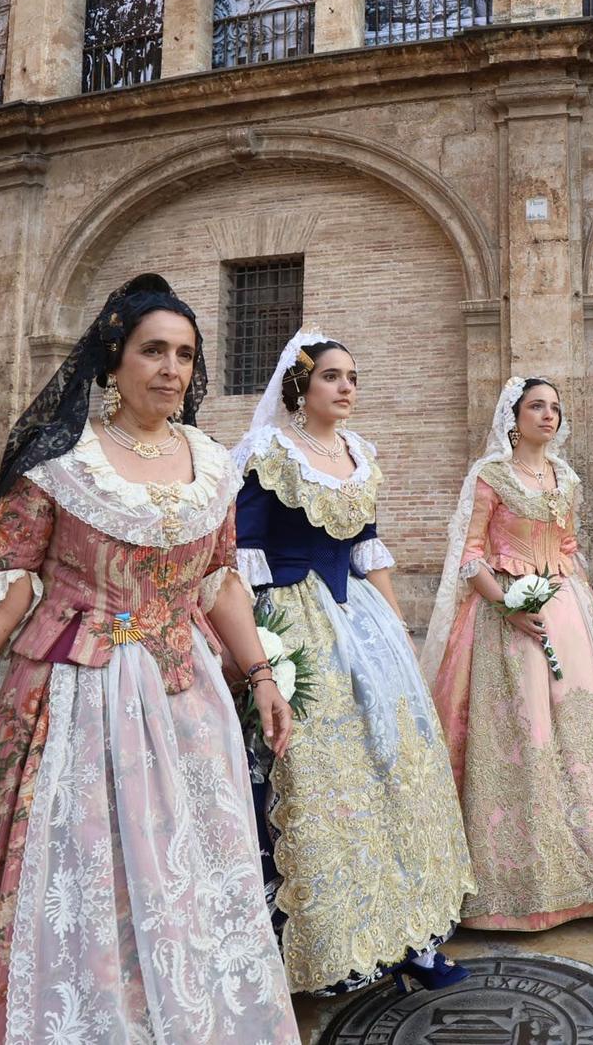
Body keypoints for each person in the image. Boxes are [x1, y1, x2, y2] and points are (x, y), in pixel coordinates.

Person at [0, 274, 297, 1045]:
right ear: (113, 358)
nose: (171, 369)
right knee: (81, 870)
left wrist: (259, 673)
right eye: (153, 350)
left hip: (185, 698)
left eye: (185, 354)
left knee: (183, 871)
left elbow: (219, 580)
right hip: (70, 698)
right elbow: (7, 592)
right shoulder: (63, 461)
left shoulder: (212, 462)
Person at [228, 331, 474, 994]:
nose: (345, 387)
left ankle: (411, 935)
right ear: (300, 387)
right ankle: (326, 948)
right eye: (332, 375)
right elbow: (242, 556)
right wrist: (256, 654)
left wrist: (395, 629)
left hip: (360, 619)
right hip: (293, 620)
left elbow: (368, 546)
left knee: (399, 770)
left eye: (353, 377)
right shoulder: (269, 453)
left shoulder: (359, 453)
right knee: (320, 783)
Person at [423, 377, 593, 931]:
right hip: (507, 615)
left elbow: (570, 546)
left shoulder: (567, 478)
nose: (548, 415)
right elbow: (470, 555)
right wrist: (506, 603)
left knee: (583, 732)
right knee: (523, 736)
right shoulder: (491, 476)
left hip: (569, 609)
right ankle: (522, 885)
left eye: (555, 407)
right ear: (515, 415)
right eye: (537, 406)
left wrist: (579, 605)